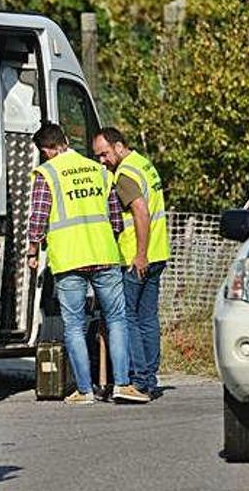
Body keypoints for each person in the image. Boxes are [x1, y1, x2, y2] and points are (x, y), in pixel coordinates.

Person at [27, 123, 149, 405]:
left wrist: (32, 250)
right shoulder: (99, 170)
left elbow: (38, 218)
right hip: (104, 254)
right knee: (117, 319)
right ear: (66, 141)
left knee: (74, 325)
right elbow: (116, 217)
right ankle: (122, 384)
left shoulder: (47, 174)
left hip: (69, 259)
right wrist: (109, 239)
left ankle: (84, 391)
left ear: (45, 151)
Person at [92, 127, 170, 398]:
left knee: (128, 318)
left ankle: (138, 381)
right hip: (158, 252)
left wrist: (139, 254)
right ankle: (149, 378)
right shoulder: (144, 165)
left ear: (119, 146)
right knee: (148, 318)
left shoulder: (125, 174)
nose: (102, 161)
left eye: (104, 154)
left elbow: (140, 212)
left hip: (136, 257)